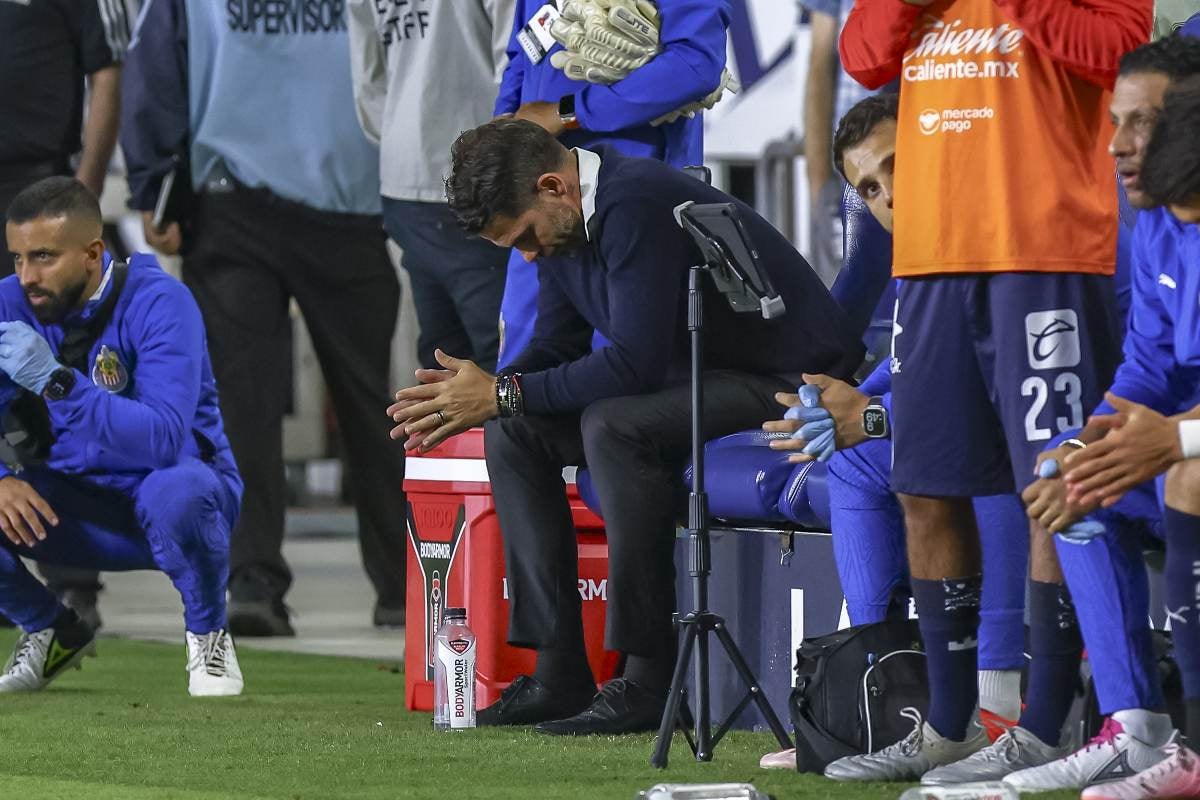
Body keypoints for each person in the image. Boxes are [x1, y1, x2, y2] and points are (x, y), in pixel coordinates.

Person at [388, 118, 864, 735]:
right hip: (697, 379)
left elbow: (634, 365)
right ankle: (559, 672)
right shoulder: (566, 224)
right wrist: (487, 393)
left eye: (525, 236)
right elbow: (558, 345)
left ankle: (647, 679)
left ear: (554, 187)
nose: (527, 254)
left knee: (613, 425)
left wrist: (502, 393)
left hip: (785, 380)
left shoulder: (633, 201)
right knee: (515, 431)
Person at [825, 0, 1151, 782]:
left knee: (1054, 483)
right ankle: (949, 724)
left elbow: (1119, 47)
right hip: (932, 257)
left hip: (1042, 247)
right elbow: (863, 54)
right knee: (923, 487)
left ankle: (1043, 722)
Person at [120, 1, 409, 635]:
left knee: (244, 407)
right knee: (369, 403)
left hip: (236, 198)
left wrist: (152, 181)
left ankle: (254, 583)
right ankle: (404, 586)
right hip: (347, 195)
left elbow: (153, 71)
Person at [759, 93, 1027, 771]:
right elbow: (909, 363)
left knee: (981, 461)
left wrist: (872, 415)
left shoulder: (1003, 232)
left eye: (896, 168)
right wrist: (837, 401)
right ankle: (876, 692)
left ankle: (998, 701)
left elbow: (996, 400)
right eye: (869, 189)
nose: (888, 197)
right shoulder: (921, 253)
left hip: (1040, 441)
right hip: (974, 429)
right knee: (854, 463)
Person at [0, 177, 242, 696]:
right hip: (71, 506)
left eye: (43, 257)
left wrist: (58, 384)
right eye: (18, 258)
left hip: (172, 501)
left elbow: (163, 440)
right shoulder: (9, 304)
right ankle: (50, 628)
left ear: (92, 254)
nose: (26, 277)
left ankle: (209, 635)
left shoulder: (161, 303)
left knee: (179, 491)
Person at [492, 0, 732, 368]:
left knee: (621, 366)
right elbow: (525, 51)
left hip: (630, 195)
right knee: (525, 360)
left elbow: (696, 64)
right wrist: (505, 126)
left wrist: (569, 112)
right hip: (538, 195)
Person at [0, 0, 134, 627]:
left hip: (40, 189)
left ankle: (75, 578)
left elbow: (107, 70)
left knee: (51, 383)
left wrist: (83, 192)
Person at [348, 0, 515, 372]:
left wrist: (404, 134)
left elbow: (368, 82)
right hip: (482, 180)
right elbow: (515, 63)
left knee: (442, 357)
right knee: (502, 358)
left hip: (405, 181)